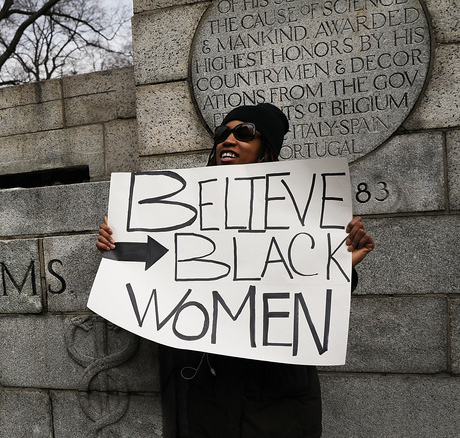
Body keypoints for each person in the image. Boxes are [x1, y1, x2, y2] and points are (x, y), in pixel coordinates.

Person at [95, 103, 374, 437]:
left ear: (265, 149)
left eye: (244, 133)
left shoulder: (300, 210)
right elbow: (163, 270)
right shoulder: (186, 211)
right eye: (221, 133)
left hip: (278, 392)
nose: (228, 140)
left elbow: (310, 294)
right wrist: (117, 247)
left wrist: (343, 264)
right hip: (209, 386)